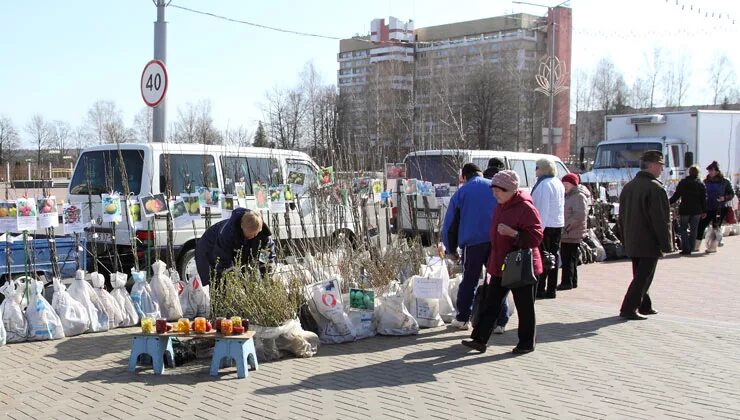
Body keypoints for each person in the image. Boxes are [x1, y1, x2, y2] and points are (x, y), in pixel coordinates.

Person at [462, 170, 543, 354]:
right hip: (500, 263)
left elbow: (536, 237)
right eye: (494, 190)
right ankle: (479, 339)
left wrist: (513, 233)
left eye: (500, 190)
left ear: (512, 190)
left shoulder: (526, 207)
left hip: (521, 265)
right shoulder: (500, 205)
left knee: (525, 307)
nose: (496, 194)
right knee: (491, 302)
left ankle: (526, 343)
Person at [441, 163, 498, 330]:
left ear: (464, 177)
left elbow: (450, 225)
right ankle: (499, 321)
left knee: (469, 281)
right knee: (496, 280)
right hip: (496, 241)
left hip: (472, 244)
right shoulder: (495, 187)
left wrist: (451, 250)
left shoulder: (462, 192)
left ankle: (463, 318)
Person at [618, 151, 672, 321]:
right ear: (652, 165)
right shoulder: (655, 188)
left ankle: (644, 305)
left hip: (633, 239)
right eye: (660, 166)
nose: (661, 170)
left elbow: (621, 217)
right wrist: (666, 244)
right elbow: (660, 219)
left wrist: (624, 238)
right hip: (649, 239)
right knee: (643, 277)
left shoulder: (629, 186)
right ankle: (629, 308)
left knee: (640, 274)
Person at [195, 208, 276, 287]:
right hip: (208, 252)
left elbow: (265, 257)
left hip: (233, 255)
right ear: (242, 226)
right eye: (249, 234)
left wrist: (267, 275)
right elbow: (223, 260)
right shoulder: (227, 234)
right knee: (218, 285)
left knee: (245, 283)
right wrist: (235, 282)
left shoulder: (263, 236)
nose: (252, 237)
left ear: (259, 229)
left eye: (255, 234)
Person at [530, 158, 565, 299]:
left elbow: (542, 208)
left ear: (543, 169)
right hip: (557, 224)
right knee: (553, 257)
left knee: (543, 258)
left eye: (537, 167)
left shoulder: (544, 184)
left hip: (546, 225)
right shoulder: (558, 182)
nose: (535, 170)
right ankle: (551, 289)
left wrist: (539, 229)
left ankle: (540, 288)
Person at [558, 173, 589, 290]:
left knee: (568, 259)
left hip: (572, 232)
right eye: (563, 183)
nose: (565, 186)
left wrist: (565, 227)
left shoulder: (578, 196)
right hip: (568, 232)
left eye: (567, 184)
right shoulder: (568, 195)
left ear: (573, 184)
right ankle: (572, 281)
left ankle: (567, 282)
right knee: (570, 258)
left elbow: (579, 215)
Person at [669, 165, 707, 255]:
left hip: (685, 209)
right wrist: (704, 210)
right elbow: (704, 198)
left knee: (683, 229)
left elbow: (676, 195)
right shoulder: (701, 184)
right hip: (697, 210)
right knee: (694, 229)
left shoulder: (683, 182)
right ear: (698, 173)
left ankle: (686, 248)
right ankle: (691, 247)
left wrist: (668, 202)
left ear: (689, 172)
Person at [696, 161, 734, 252]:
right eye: (709, 170)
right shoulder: (705, 181)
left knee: (715, 227)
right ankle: (696, 246)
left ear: (717, 171)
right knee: (701, 225)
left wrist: (724, 198)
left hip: (720, 208)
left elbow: (731, 194)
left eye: (711, 170)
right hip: (707, 208)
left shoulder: (725, 182)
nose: (709, 172)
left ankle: (712, 247)